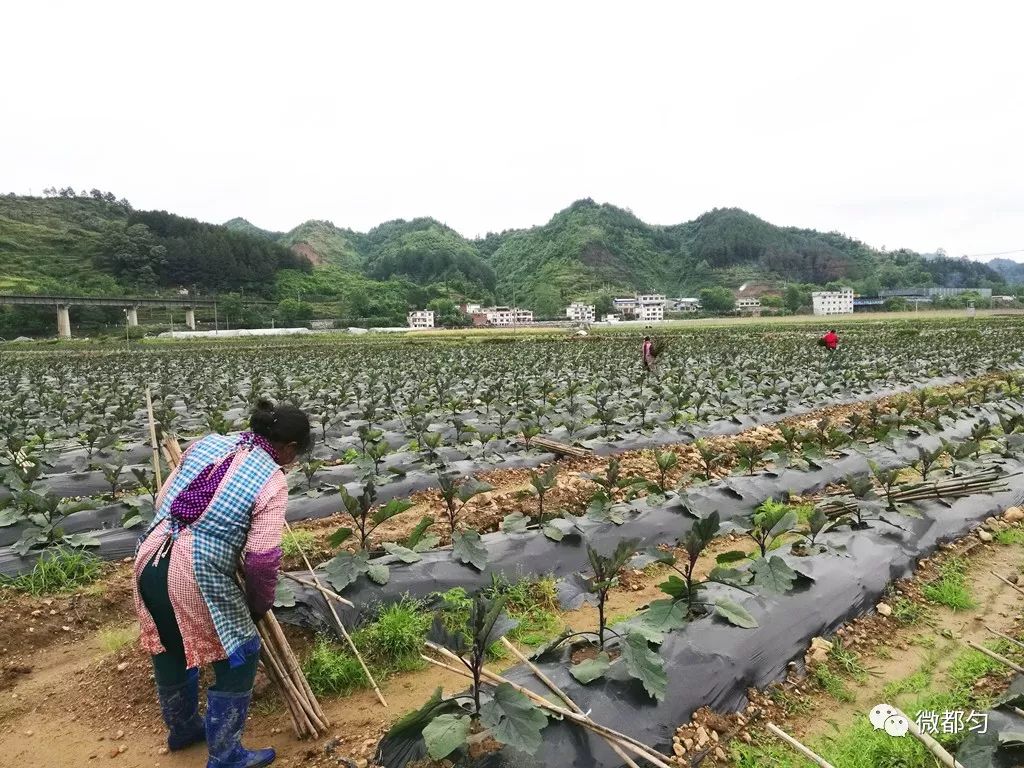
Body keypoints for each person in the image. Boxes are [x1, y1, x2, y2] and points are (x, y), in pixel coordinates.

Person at [133, 399, 311, 768]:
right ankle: (227, 755)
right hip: (192, 570)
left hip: (150, 557)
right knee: (241, 653)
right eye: (296, 453)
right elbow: (262, 560)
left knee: (170, 645)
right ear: (289, 447)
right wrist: (258, 604)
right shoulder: (272, 480)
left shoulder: (211, 442)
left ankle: (182, 730)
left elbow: (164, 499)